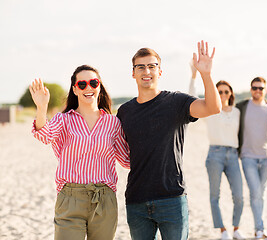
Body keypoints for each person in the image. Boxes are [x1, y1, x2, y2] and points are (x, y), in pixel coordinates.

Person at [117, 41, 221, 240]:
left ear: (160, 71)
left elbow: (213, 107)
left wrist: (205, 75)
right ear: (133, 73)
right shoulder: (124, 112)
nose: (146, 71)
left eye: (151, 66)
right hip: (136, 201)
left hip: (172, 198)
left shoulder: (176, 102)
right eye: (140, 67)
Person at [30, 65, 130, 240]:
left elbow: (127, 160)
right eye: (82, 84)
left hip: (104, 199)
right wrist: (41, 107)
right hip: (70, 198)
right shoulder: (64, 120)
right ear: (75, 89)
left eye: (93, 82)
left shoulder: (113, 123)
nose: (88, 88)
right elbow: (44, 135)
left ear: (99, 86)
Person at [189, 68, 244, 239]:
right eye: (219, 91)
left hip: (233, 156)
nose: (223, 94)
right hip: (215, 155)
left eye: (226, 91)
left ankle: (236, 229)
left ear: (231, 93)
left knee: (239, 196)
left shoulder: (237, 112)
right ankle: (223, 230)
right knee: (215, 195)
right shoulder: (210, 110)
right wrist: (193, 75)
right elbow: (192, 97)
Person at [235, 77, 267, 239]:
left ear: (265, 90)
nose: (257, 91)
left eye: (260, 88)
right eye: (254, 88)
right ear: (251, 89)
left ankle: (259, 228)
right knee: (256, 192)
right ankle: (260, 229)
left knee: (261, 193)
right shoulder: (242, 107)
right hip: (248, 157)